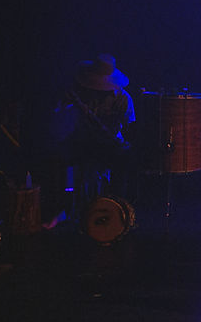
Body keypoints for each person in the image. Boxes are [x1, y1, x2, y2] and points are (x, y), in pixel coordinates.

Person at [38, 54, 136, 228]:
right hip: (83, 140)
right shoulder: (80, 92)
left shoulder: (123, 98)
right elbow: (58, 113)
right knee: (55, 157)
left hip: (109, 144)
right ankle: (60, 210)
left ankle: (118, 210)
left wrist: (119, 141)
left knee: (125, 159)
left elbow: (128, 127)